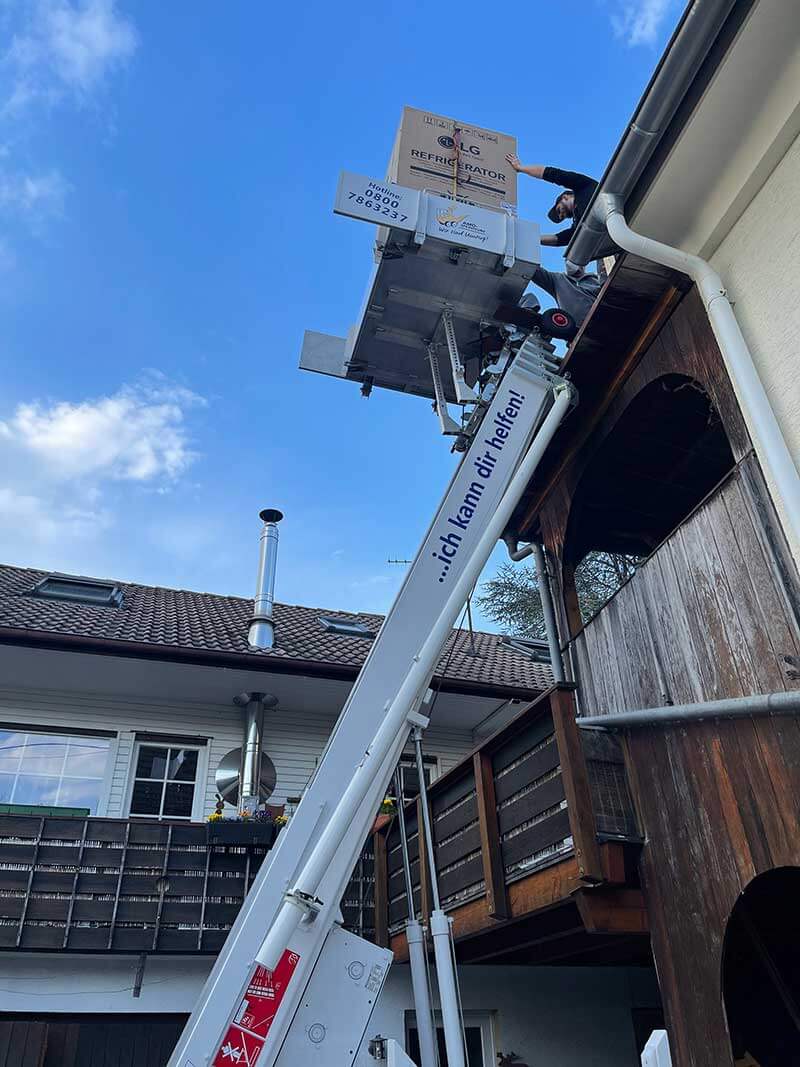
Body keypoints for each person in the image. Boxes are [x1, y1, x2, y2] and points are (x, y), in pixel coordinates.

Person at [505, 154, 601, 326]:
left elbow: (552, 174)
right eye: (561, 216)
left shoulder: (584, 188)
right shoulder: (579, 226)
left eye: (560, 211)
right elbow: (558, 239)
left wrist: (521, 169)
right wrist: (528, 239)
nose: (562, 215)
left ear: (565, 196)